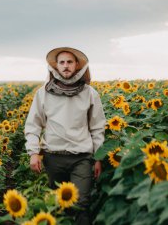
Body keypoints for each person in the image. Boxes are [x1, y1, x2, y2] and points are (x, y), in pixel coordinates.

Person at [25, 47, 106, 225]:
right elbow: (33, 125)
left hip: (82, 158)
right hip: (53, 157)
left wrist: (98, 157)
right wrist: (33, 152)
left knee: (81, 205)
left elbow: (97, 128)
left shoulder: (90, 94)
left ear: (77, 65)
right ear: (56, 66)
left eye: (70, 62)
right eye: (62, 62)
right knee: (57, 207)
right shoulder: (44, 93)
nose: (66, 66)